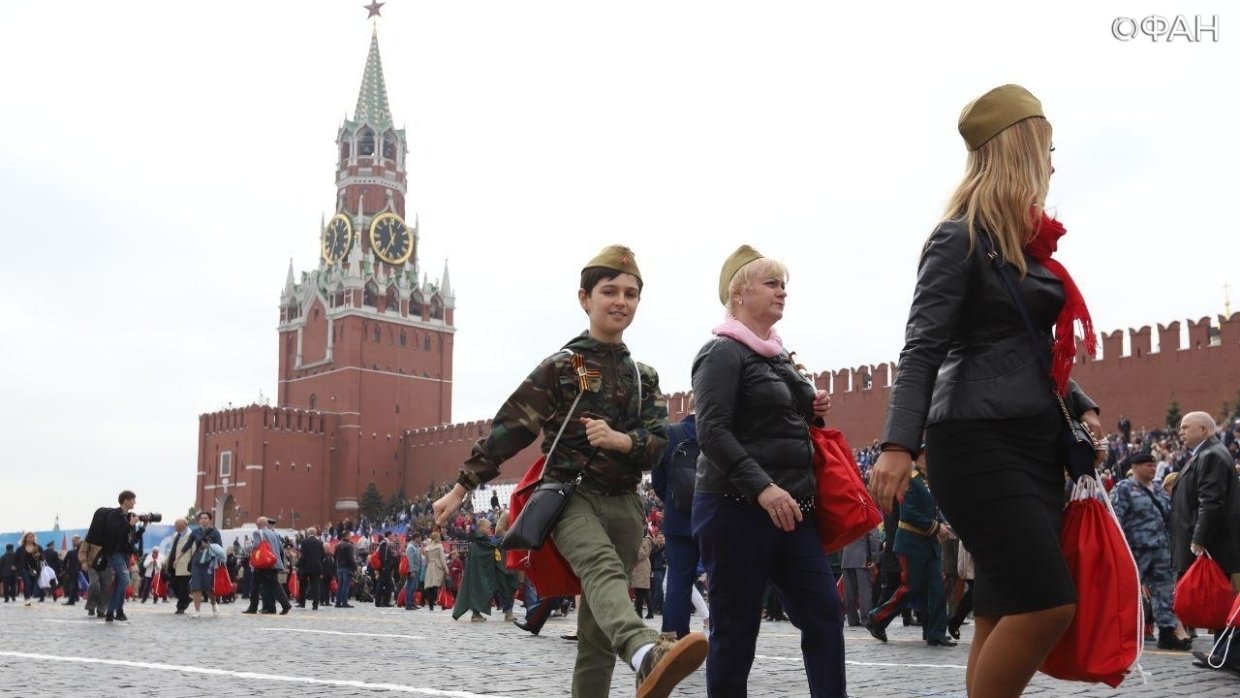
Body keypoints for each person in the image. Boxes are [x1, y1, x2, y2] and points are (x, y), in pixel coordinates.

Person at [867, 84, 1106, 698]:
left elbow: (1019, 344)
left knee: (1001, 604)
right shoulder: (958, 238)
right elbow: (922, 345)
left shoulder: (1018, 244)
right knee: (1048, 603)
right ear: (1020, 149)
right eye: (1046, 148)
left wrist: (1078, 402)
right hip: (976, 439)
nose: (1053, 163)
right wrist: (897, 442)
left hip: (1032, 440)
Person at [434, 245, 707, 698]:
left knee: (598, 633)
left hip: (624, 504)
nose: (621, 301)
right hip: (570, 498)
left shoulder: (645, 377)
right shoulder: (563, 366)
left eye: (631, 293)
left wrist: (622, 441)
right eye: (610, 291)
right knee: (601, 571)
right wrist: (463, 486)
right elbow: (511, 428)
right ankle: (645, 652)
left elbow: (658, 445)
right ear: (585, 299)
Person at [691, 245, 846, 697]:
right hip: (736, 508)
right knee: (737, 631)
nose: (783, 292)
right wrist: (763, 488)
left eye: (785, 285)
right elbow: (712, 432)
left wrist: (811, 408)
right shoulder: (721, 353)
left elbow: (777, 424)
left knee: (823, 614)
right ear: (739, 293)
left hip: (793, 510)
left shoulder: (777, 355)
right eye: (772, 283)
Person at [1170, 411, 1240, 674]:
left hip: (1216, 546)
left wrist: (1199, 539)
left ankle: (1228, 654)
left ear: (1204, 429)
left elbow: (1210, 501)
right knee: (1226, 601)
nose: (1181, 432)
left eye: (1186, 427)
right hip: (1218, 545)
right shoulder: (1209, 453)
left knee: (1226, 600)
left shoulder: (1211, 455)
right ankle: (1223, 653)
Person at [867, 454, 956, 647]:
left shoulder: (925, 481)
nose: (926, 458)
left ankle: (936, 633)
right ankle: (877, 618)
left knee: (937, 589)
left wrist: (942, 525)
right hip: (911, 543)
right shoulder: (909, 479)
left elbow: (930, 511)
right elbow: (909, 513)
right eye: (923, 455)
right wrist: (936, 527)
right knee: (910, 587)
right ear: (916, 458)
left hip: (928, 544)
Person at [1111, 452, 1191, 651]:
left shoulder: (1158, 490)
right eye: (1148, 465)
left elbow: (1169, 517)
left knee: (1164, 592)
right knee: (1127, 592)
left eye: (1154, 465)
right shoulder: (1124, 489)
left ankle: (1166, 632)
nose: (1153, 468)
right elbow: (1115, 519)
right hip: (1135, 549)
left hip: (1160, 550)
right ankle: (1121, 633)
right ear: (1135, 467)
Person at [651, 404, 702, 638]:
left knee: (678, 582)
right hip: (713, 517)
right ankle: (723, 635)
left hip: (678, 519)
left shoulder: (671, 433)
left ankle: (673, 636)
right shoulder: (719, 430)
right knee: (722, 578)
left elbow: (658, 479)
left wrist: (673, 502)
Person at [241, 516, 292, 615]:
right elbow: (281, 549)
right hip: (274, 563)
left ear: (259, 524)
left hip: (263, 564)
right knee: (271, 585)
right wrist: (279, 563)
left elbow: (256, 545)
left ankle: (253, 608)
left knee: (255, 586)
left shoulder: (258, 532)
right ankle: (273, 607)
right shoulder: (274, 533)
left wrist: (246, 549)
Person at [840, 526, 880, 628]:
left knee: (849, 592)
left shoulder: (847, 516)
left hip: (846, 558)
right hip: (862, 559)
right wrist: (874, 559)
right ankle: (866, 619)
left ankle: (852, 619)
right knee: (865, 592)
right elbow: (873, 538)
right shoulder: (868, 515)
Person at [186, 511, 223, 618]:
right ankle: (197, 611)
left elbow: (220, 547)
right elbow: (188, 545)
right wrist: (177, 559)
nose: (203, 520)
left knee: (208, 587)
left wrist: (209, 546)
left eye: (206, 518)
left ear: (210, 520)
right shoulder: (195, 532)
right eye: (201, 518)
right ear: (199, 520)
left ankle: (214, 604)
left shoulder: (215, 532)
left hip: (210, 562)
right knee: (196, 586)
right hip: (197, 562)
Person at [297, 527, 325, 610]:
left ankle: (302, 603)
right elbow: (322, 555)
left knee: (303, 585)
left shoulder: (304, 542)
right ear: (315, 533)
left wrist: (298, 565)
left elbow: (303, 555)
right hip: (316, 566)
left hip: (306, 566)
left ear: (308, 533)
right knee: (315, 585)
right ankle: (315, 604)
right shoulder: (320, 542)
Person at [422, 531, 448, 611]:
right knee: (436, 586)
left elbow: (426, 561)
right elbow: (442, 559)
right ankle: (438, 602)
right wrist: (446, 569)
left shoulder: (427, 548)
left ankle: (431, 605)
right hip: (437, 566)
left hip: (430, 566)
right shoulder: (439, 546)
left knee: (430, 586)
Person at [15, 532, 42, 606]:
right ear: (25, 538)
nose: (31, 538)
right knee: (27, 582)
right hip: (24, 568)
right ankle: (27, 598)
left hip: (35, 568)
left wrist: (39, 556)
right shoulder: (20, 548)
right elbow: (16, 558)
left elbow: (43, 558)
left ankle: (29, 595)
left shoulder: (38, 547)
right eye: (29, 537)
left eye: (32, 537)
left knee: (33, 583)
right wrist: (14, 565)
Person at [333, 534, 356, 608]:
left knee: (340, 585)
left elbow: (335, 557)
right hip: (347, 567)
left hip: (339, 567)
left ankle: (338, 602)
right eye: (349, 535)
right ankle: (344, 602)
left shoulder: (338, 545)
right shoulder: (349, 546)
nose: (351, 537)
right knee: (345, 586)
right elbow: (350, 558)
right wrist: (354, 567)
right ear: (346, 536)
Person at [402, 533, 425, 610]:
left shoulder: (417, 547)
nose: (420, 540)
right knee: (410, 587)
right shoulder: (410, 547)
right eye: (419, 538)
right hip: (413, 570)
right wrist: (412, 570)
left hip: (417, 570)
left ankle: (412, 602)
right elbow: (410, 560)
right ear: (416, 538)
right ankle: (408, 603)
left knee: (414, 588)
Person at [61, 536, 82, 606]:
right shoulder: (80, 551)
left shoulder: (71, 552)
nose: (73, 542)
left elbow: (64, 561)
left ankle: (71, 600)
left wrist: (63, 569)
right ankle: (75, 597)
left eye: (74, 541)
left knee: (72, 585)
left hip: (72, 570)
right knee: (75, 584)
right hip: (79, 569)